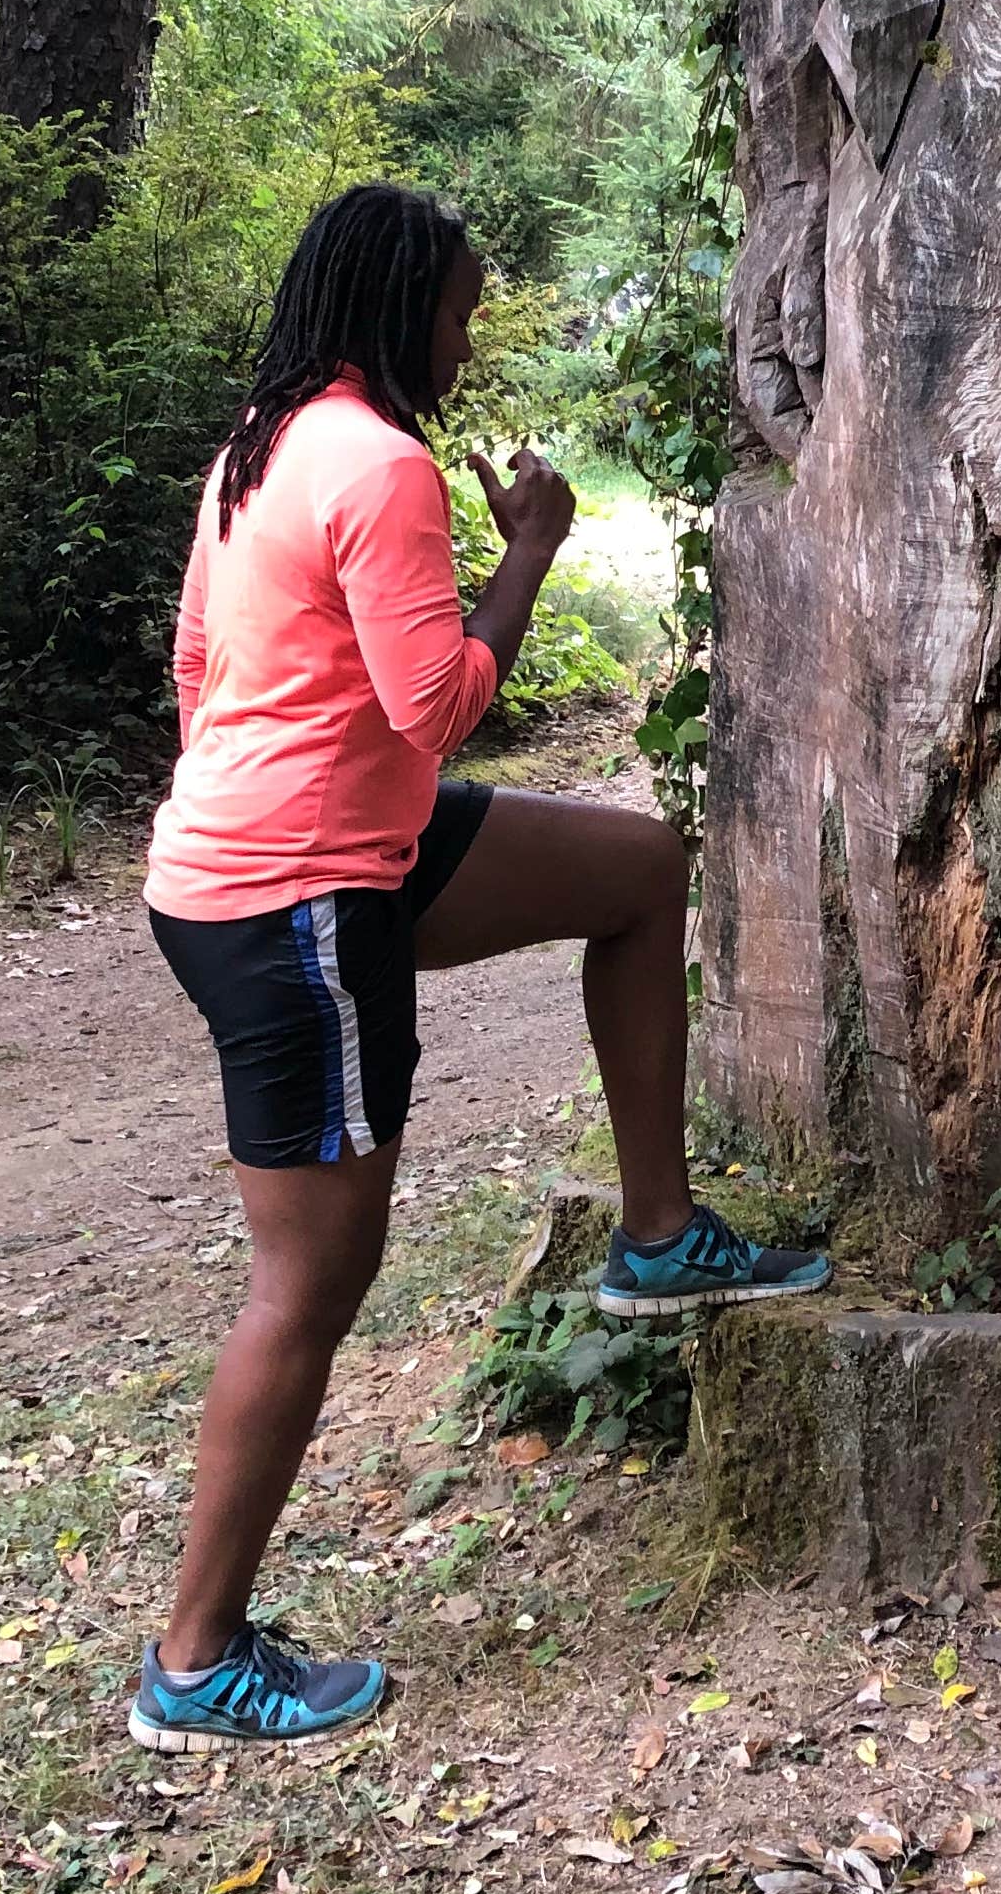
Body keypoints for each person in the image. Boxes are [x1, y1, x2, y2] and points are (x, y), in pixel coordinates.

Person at [130, 181, 826, 1752]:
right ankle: (194, 1659)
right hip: (296, 895)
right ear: (397, 311)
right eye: (456, 309)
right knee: (316, 1274)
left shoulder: (264, 439)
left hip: (322, 851)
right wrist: (534, 547)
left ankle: (658, 1237)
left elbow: (194, 670)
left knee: (642, 875)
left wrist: (287, 804)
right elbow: (437, 700)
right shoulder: (373, 465)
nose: (467, 335)